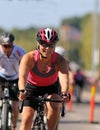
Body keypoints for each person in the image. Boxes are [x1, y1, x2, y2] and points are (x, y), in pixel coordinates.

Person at [18, 27, 70, 130]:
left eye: (51, 45)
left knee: (55, 107)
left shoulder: (60, 60)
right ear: (38, 43)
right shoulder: (29, 58)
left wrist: (64, 93)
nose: (48, 49)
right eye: (44, 45)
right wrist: (22, 90)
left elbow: (64, 78)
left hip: (51, 87)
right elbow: (22, 76)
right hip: (32, 88)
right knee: (27, 118)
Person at [0, 32, 26, 130]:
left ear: (13, 45)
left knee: (15, 106)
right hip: (1, 76)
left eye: (9, 46)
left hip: (15, 77)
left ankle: (14, 126)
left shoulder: (19, 51)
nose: (7, 49)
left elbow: (26, 64)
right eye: (4, 46)